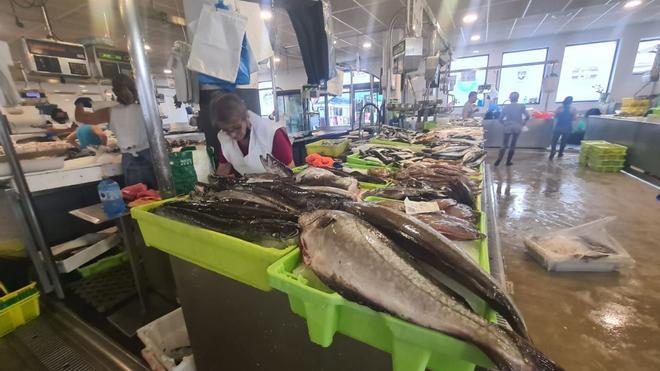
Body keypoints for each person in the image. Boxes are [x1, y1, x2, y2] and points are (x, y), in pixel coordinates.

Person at [74, 74, 156, 188]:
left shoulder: (110, 112)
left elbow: (81, 118)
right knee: (160, 195)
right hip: (153, 156)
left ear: (114, 91)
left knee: (139, 198)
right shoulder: (147, 108)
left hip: (132, 159)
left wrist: (79, 104)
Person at [210, 93, 293, 176]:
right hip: (250, 186)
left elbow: (291, 174)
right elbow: (223, 169)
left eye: (237, 127)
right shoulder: (224, 138)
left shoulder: (273, 133)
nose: (233, 134)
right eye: (227, 130)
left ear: (245, 117)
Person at [495, 92, 529, 166]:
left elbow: (500, 119)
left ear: (510, 98)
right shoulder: (521, 106)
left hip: (508, 126)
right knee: (513, 145)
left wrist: (504, 124)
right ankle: (508, 162)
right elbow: (527, 116)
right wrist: (523, 123)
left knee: (504, 145)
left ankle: (498, 160)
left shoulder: (506, 107)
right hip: (517, 127)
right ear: (517, 98)